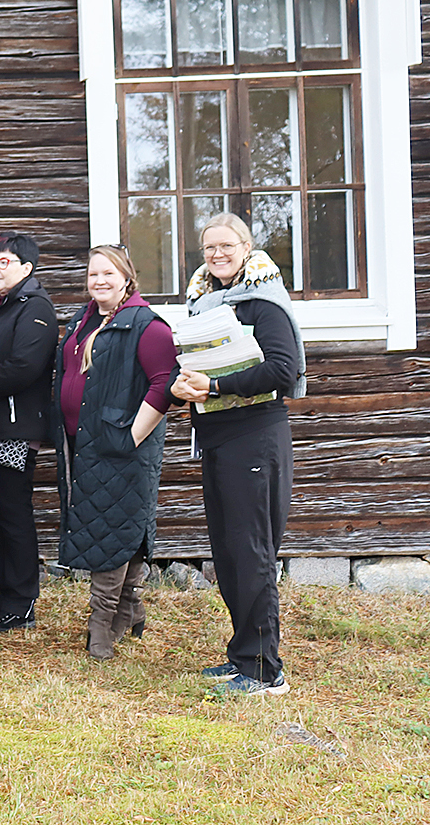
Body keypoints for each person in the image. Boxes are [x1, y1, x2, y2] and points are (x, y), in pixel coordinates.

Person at [171, 213, 305, 697]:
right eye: (209, 248)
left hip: (256, 437)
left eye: (226, 246)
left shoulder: (265, 304)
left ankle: (267, 671)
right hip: (217, 436)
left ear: (247, 248)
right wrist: (185, 384)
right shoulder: (204, 304)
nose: (216, 255)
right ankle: (243, 657)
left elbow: (283, 371)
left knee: (252, 554)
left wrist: (217, 385)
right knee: (228, 555)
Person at [55, 244, 176, 662]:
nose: (99, 281)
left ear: (127, 277)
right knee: (109, 526)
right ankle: (131, 608)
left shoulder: (148, 326)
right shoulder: (84, 320)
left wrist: (132, 436)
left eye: (108, 273)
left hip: (121, 447)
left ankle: (101, 625)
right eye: (93, 275)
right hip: (85, 445)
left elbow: (164, 384)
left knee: (116, 529)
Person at [0, 233, 58, 633]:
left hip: (13, 430)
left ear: (27, 268)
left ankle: (21, 600)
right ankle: (1, 593)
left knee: (12, 513)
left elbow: (23, 366)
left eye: (4, 261)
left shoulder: (35, 308)